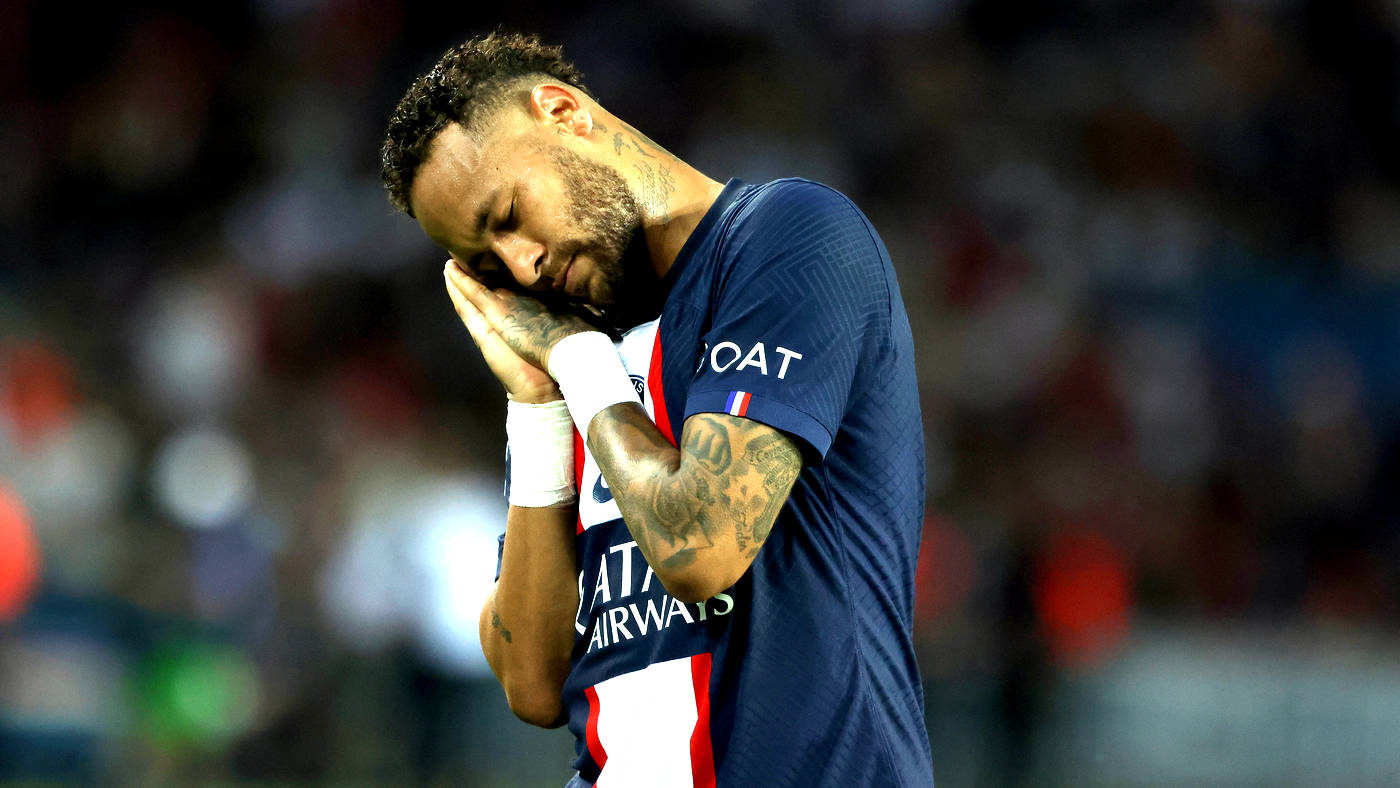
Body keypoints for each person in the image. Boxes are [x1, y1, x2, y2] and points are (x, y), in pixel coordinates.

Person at [381, 32, 934, 788]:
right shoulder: (570, 355)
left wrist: (577, 365)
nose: (520, 266)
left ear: (562, 111)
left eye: (508, 213)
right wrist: (537, 406)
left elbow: (701, 547)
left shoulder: (785, 239)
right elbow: (533, 685)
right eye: (485, 264)